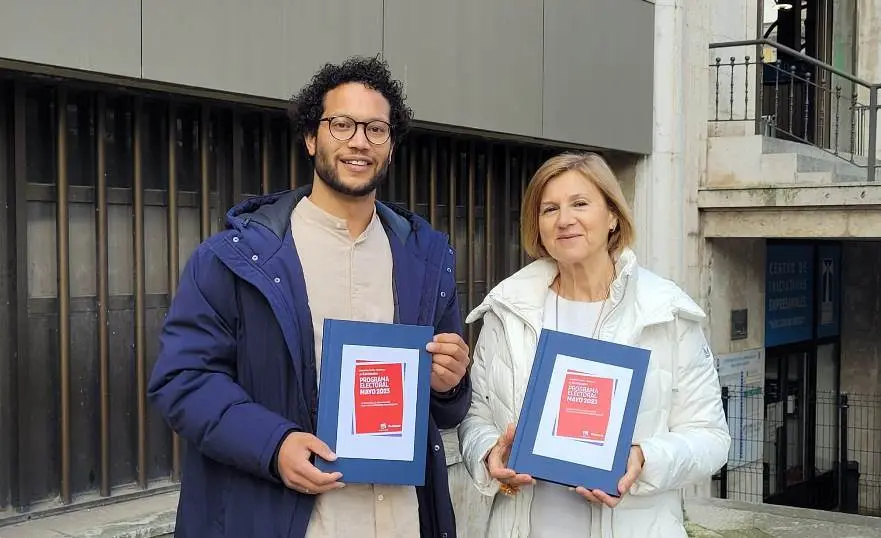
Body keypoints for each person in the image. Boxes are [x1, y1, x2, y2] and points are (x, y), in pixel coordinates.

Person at [148, 55, 472, 538]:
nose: (359, 140)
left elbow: (444, 408)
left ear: (391, 147)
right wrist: (272, 445)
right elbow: (182, 380)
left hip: (401, 518)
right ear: (310, 137)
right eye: (341, 124)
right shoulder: (236, 258)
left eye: (376, 129)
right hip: (290, 517)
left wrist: (449, 383)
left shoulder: (425, 258)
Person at [457, 152, 730, 538]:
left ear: (613, 216)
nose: (565, 219)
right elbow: (476, 414)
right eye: (549, 208)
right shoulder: (506, 311)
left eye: (580, 204)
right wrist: (489, 452)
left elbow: (711, 437)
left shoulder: (665, 313)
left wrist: (643, 459)